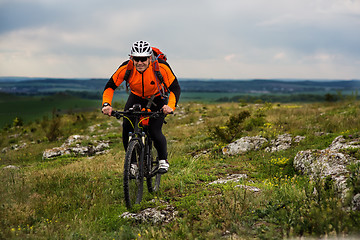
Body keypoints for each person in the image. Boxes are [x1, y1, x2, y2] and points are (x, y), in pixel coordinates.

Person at [102, 40, 181, 173]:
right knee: (127, 128)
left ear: (150, 57)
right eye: (136, 59)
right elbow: (110, 86)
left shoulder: (161, 67)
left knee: (154, 130)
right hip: (136, 96)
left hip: (158, 98)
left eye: (143, 59)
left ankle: (163, 160)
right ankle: (132, 164)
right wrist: (106, 105)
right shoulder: (126, 67)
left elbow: (175, 88)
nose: (139, 63)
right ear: (131, 58)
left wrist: (170, 106)